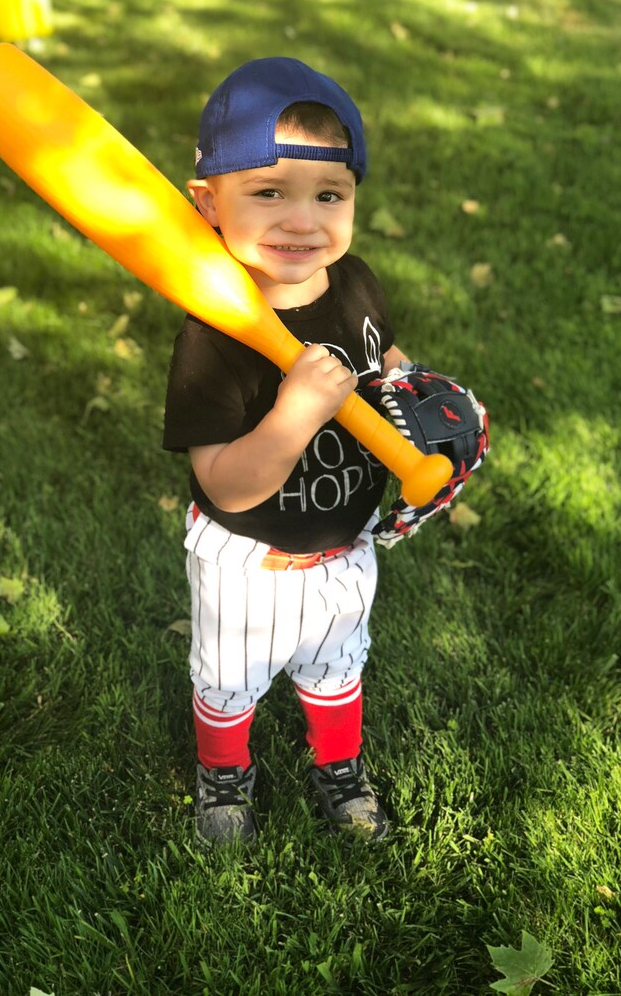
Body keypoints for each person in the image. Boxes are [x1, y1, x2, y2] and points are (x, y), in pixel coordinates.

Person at [163, 57, 410, 846]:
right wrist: (293, 416)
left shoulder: (356, 282)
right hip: (250, 561)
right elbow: (224, 485)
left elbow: (386, 357)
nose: (303, 221)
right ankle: (223, 777)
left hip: (345, 545)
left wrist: (417, 401)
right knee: (229, 682)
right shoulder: (214, 336)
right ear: (208, 203)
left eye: (328, 195)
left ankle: (338, 767)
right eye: (269, 192)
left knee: (339, 667)